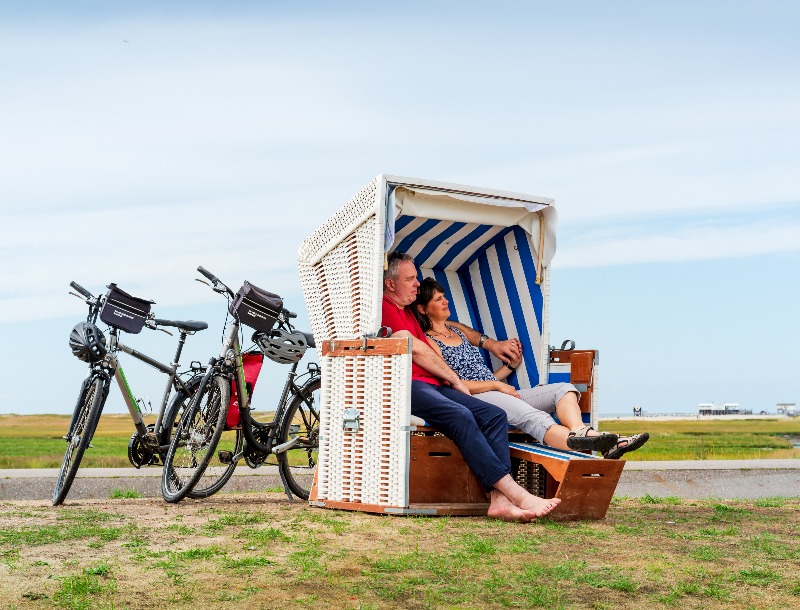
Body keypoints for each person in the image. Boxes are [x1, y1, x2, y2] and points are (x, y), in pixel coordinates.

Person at [382, 251, 560, 522]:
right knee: (460, 415)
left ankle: (499, 501)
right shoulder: (384, 307)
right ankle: (518, 494)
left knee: (493, 415)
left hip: (434, 383)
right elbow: (416, 350)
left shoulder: (407, 310)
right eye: (410, 279)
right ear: (390, 284)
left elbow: (431, 348)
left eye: (417, 278)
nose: (417, 284)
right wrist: (454, 380)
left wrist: (452, 374)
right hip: (407, 385)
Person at [413, 277, 649, 459]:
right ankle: (610, 442)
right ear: (423, 309)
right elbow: (454, 384)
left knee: (563, 389)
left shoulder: (454, 329)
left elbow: (480, 368)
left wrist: (506, 370)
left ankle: (580, 431)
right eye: (438, 299)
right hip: (478, 399)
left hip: (496, 390)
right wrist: (497, 384)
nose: (445, 301)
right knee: (535, 418)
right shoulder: (429, 342)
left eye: (444, 296)